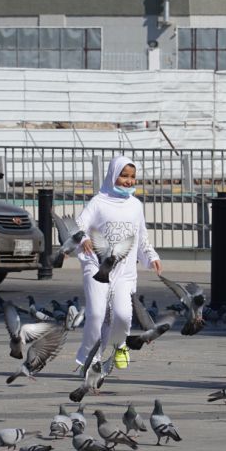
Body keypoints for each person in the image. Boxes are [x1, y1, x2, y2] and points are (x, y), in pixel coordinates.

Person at [74, 156, 162, 369]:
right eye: (124, 176)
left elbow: (141, 237)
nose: (129, 181)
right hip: (97, 268)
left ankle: (119, 344)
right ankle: (90, 360)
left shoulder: (135, 205)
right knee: (95, 314)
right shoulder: (98, 202)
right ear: (113, 175)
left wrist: (151, 256)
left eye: (133, 177)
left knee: (123, 315)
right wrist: (83, 238)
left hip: (124, 271)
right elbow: (78, 225)